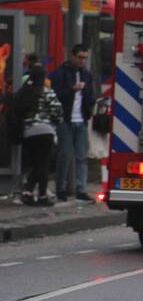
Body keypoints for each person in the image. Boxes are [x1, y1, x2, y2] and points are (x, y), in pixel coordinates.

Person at [11, 65, 63, 206]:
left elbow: (17, 112)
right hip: (45, 131)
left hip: (28, 133)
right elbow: (57, 111)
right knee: (43, 165)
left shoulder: (23, 93)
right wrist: (56, 121)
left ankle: (35, 194)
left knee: (35, 164)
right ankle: (34, 193)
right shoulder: (47, 92)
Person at [50, 43, 94, 203]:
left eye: (85, 58)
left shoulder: (86, 74)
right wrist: (72, 90)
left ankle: (81, 190)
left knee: (82, 156)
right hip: (65, 120)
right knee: (65, 155)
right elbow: (55, 95)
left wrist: (89, 108)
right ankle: (61, 189)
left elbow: (90, 95)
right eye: (80, 57)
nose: (83, 61)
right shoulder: (60, 73)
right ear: (73, 56)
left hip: (81, 120)